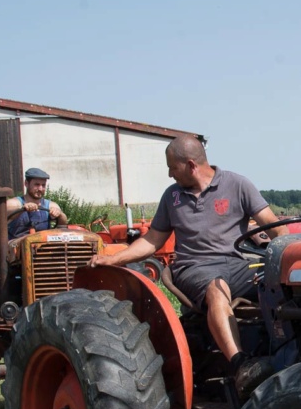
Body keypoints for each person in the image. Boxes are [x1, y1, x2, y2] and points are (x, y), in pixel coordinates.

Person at [88, 135, 287, 395]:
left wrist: (288, 254)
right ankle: (241, 366)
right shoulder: (172, 197)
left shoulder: (237, 184)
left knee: (280, 286)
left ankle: (288, 355)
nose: (170, 174)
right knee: (217, 289)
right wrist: (114, 258)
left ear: (191, 165)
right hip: (194, 267)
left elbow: (270, 224)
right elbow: (152, 240)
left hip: (237, 265)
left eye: (173, 167)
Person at [6, 168, 67, 239]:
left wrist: (59, 214)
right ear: (26, 183)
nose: (40, 189)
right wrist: (23, 208)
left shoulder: (50, 205)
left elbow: (63, 225)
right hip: (17, 247)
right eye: (37, 185)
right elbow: (2, 219)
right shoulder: (13, 204)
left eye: (43, 185)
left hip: (42, 248)